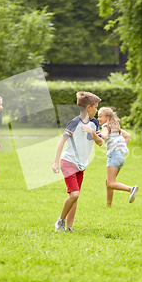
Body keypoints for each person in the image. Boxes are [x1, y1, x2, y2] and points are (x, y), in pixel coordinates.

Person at [52, 91, 103, 232]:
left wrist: (91, 132)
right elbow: (61, 141)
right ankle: (60, 221)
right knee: (75, 194)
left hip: (81, 165)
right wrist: (56, 162)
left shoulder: (93, 123)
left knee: (74, 197)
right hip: (68, 162)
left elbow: (99, 143)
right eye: (96, 107)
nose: (96, 110)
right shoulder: (75, 122)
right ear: (88, 108)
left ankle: (68, 227)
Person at [97, 107, 138, 207]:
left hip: (114, 157)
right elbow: (127, 135)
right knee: (109, 182)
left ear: (107, 117)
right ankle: (108, 205)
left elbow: (105, 136)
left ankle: (130, 189)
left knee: (110, 183)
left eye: (100, 116)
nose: (98, 119)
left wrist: (95, 133)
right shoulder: (115, 127)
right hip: (120, 157)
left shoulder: (106, 126)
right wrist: (122, 149)